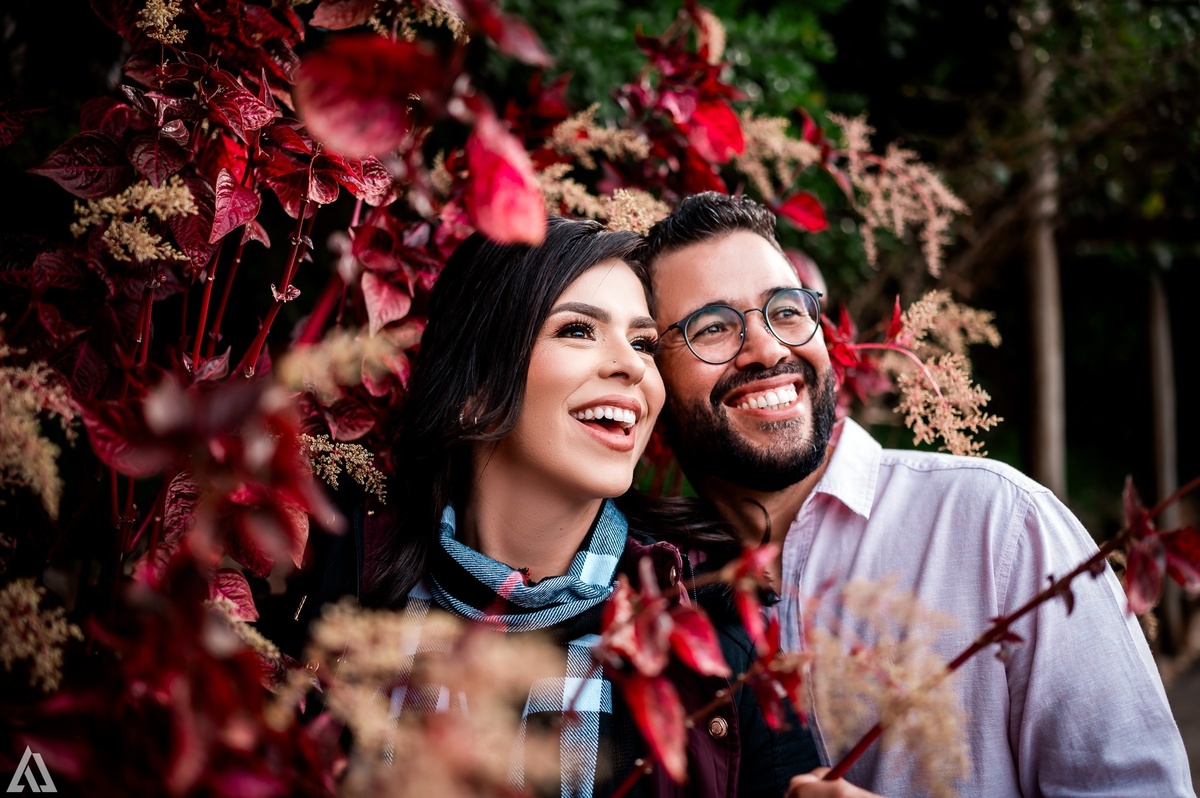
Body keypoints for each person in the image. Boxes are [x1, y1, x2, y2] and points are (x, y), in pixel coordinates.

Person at [638, 191, 1195, 797]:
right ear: (650, 374)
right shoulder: (649, 588)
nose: (770, 348)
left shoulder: (1000, 528)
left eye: (787, 310)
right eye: (713, 327)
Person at [344, 215, 825, 797]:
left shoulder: (710, 631)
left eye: (644, 342)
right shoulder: (343, 581)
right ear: (473, 387)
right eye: (577, 331)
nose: (631, 365)